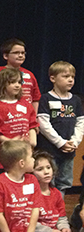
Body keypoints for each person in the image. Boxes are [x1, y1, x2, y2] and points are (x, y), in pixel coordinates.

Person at [36, 61, 84, 197]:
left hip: (69, 150)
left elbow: (81, 123)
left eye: (72, 77)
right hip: (50, 150)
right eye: (65, 76)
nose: (70, 80)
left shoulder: (75, 100)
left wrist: (74, 142)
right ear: (53, 78)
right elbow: (44, 123)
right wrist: (60, 142)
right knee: (48, 181)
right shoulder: (46, 98)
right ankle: (47, 212)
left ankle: (59, 211)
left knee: (64, 182)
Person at [0, 67, 38, 180]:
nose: (17, 85)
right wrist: (10, 141)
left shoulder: (25, 104)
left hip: (24, 155)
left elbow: (32, 124)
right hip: (3, 157)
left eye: (19, 82)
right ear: (2, 84)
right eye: (12, 82)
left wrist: (33, 140)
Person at [32, 151, 80, 232]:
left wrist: (64, 228)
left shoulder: (56, 193)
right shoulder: (31, 194)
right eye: (40, 169)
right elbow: (29, 222)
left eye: (48, 167)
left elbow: (61, 216)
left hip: (55, 230)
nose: (46, 172)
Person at [0, 38, 41, 111]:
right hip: (6, 112)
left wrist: (34, 115)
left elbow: (35, 98)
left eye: (23, 53)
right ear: (6, 56)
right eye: (16, 53)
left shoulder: (29, 74)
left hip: (26, 114)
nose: (20, 55)